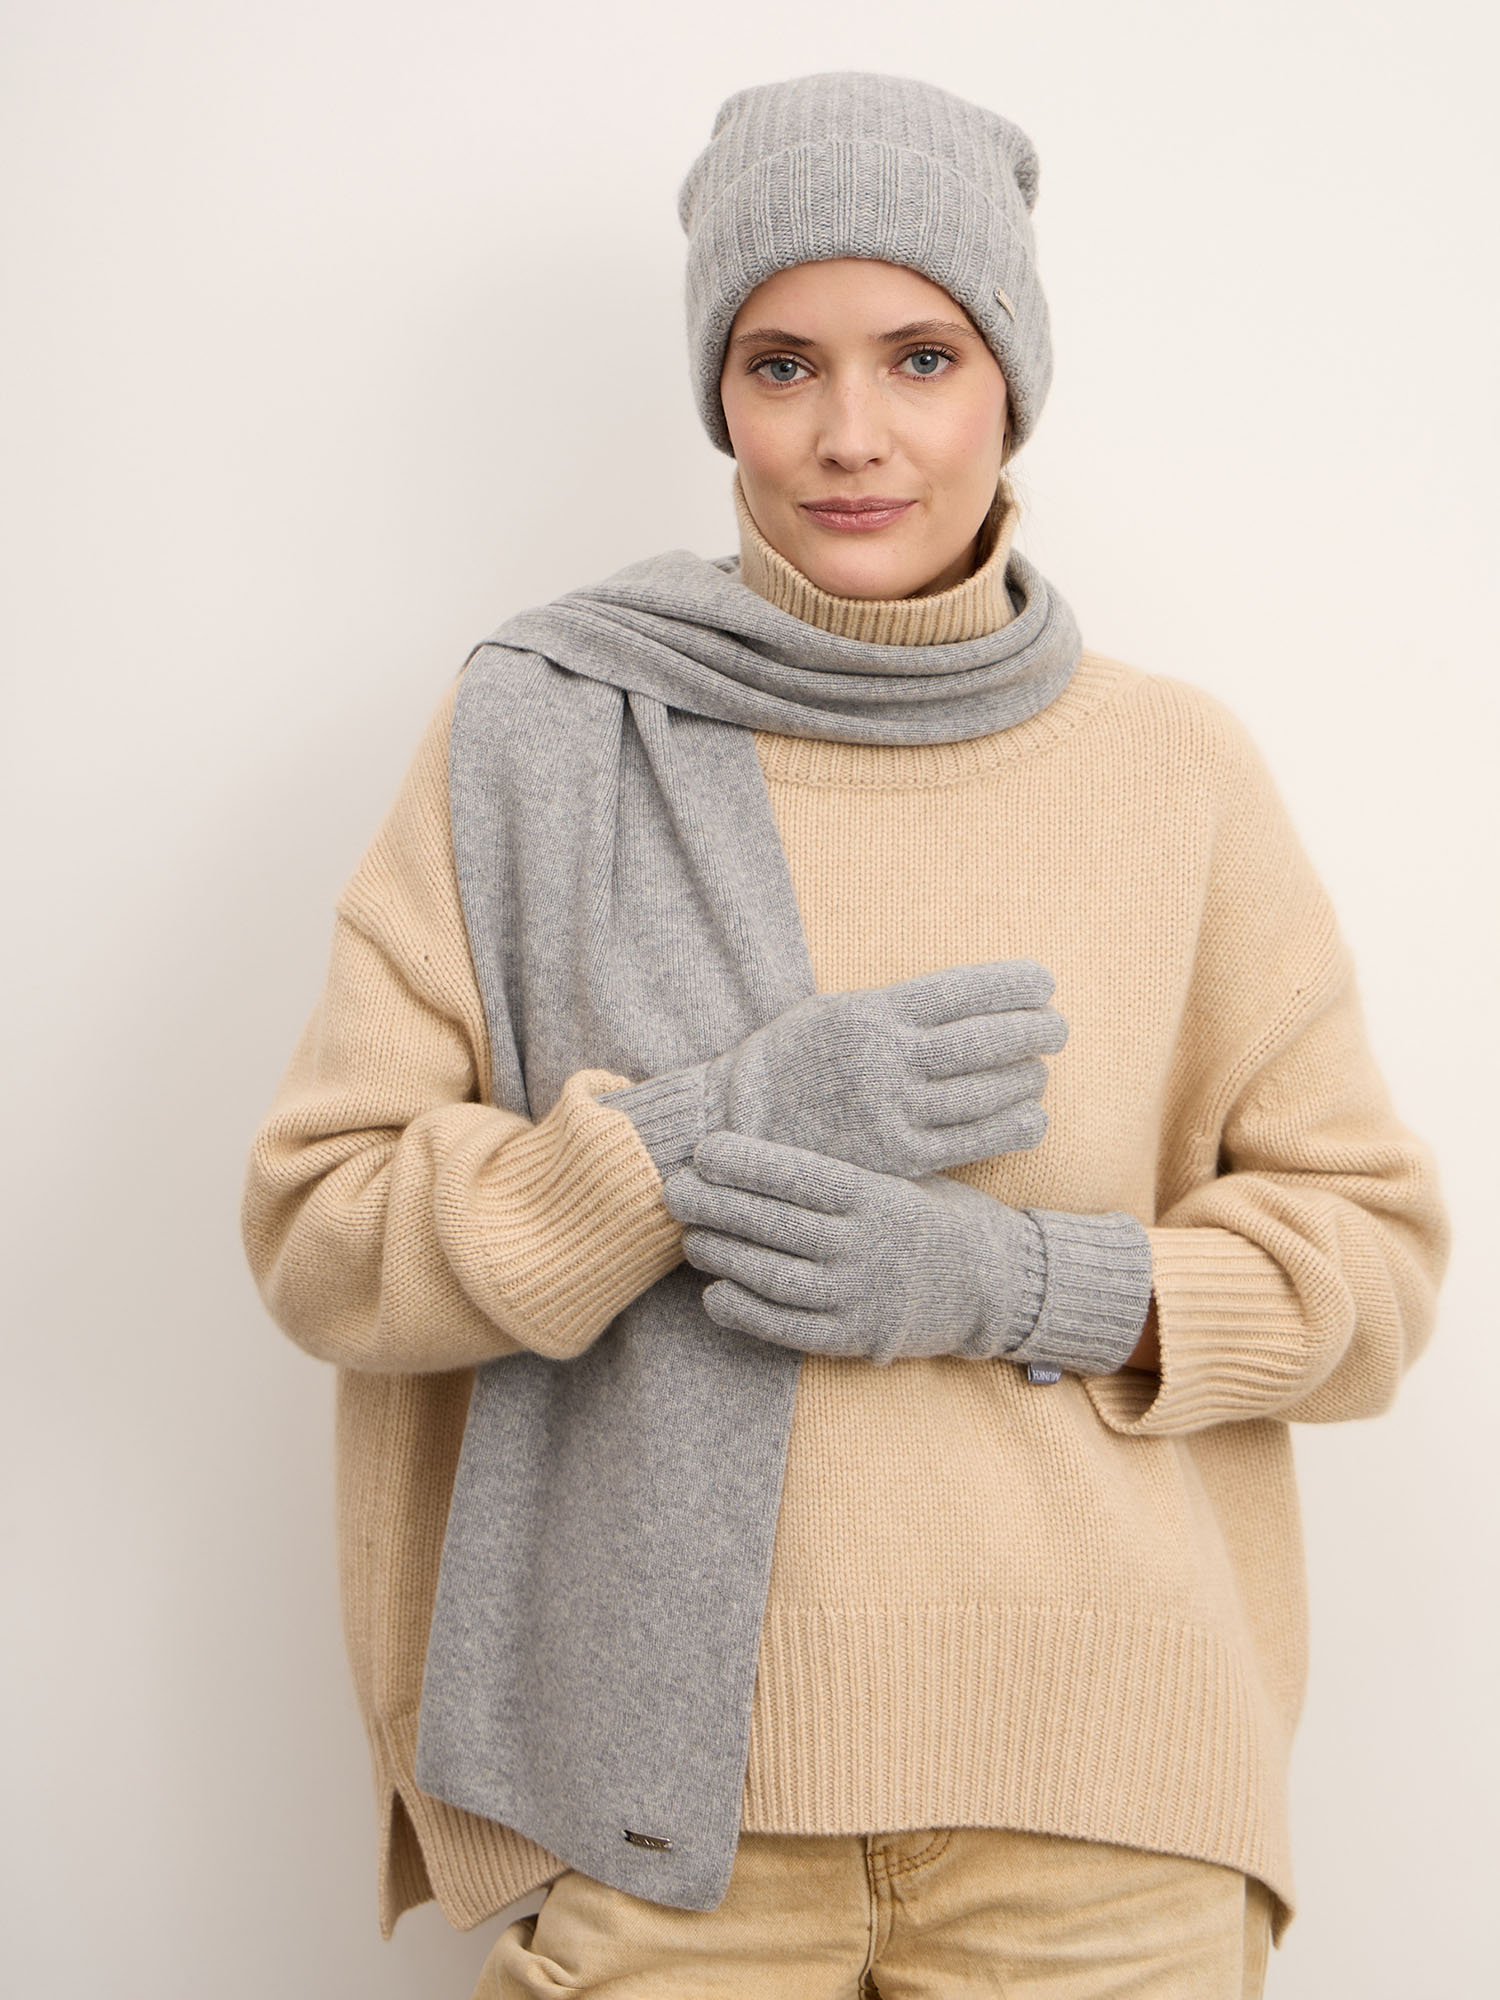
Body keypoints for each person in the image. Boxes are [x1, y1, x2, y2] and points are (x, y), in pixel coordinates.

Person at [241, 71, 1450, 2000]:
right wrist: (694, 1139)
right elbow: (323, 1232)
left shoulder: (1174, 772)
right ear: (719, 394)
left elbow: (1372, 1274)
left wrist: (1015, 1283)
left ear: (1010, 385)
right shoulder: (551, 734)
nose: (853, 435)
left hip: (1105, 1805)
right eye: (783, 365)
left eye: (922, 357)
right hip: (668, 1822)